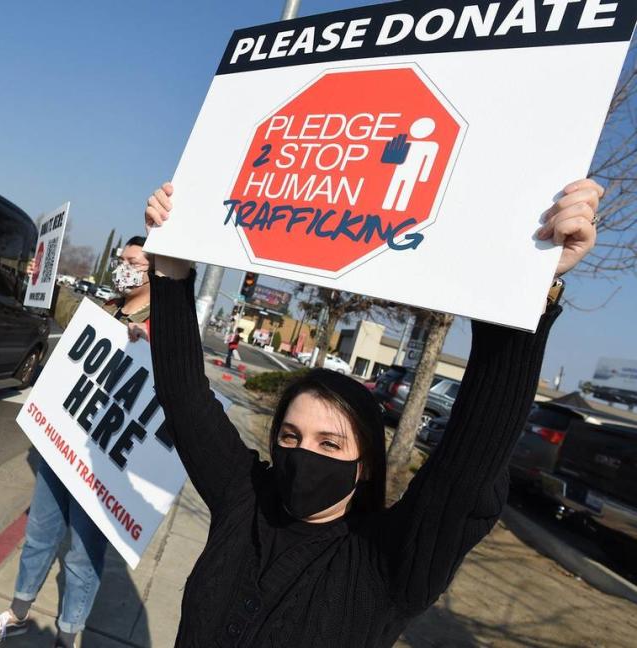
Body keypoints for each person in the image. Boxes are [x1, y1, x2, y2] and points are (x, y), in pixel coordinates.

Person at [139, 179, 600, 647]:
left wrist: (529, 285)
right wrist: (171, 270)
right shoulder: (244, 500)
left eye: (330, 443)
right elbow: (184, 398)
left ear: (364, 466)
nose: (303, 454)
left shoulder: (387, 561)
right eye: (291, 437)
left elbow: (466, 469)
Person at [0, 237, 152, 647]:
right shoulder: (107, 309)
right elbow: (66, 306)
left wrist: (151, 346)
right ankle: (17, 611)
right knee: (40, 533)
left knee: (83, 557)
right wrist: (44, 277)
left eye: (132, 261)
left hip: (103, 465)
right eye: (121, 259)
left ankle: (67, 638)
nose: (123, 267)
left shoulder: (163, 330)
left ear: (154, 268)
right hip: (61, 446)